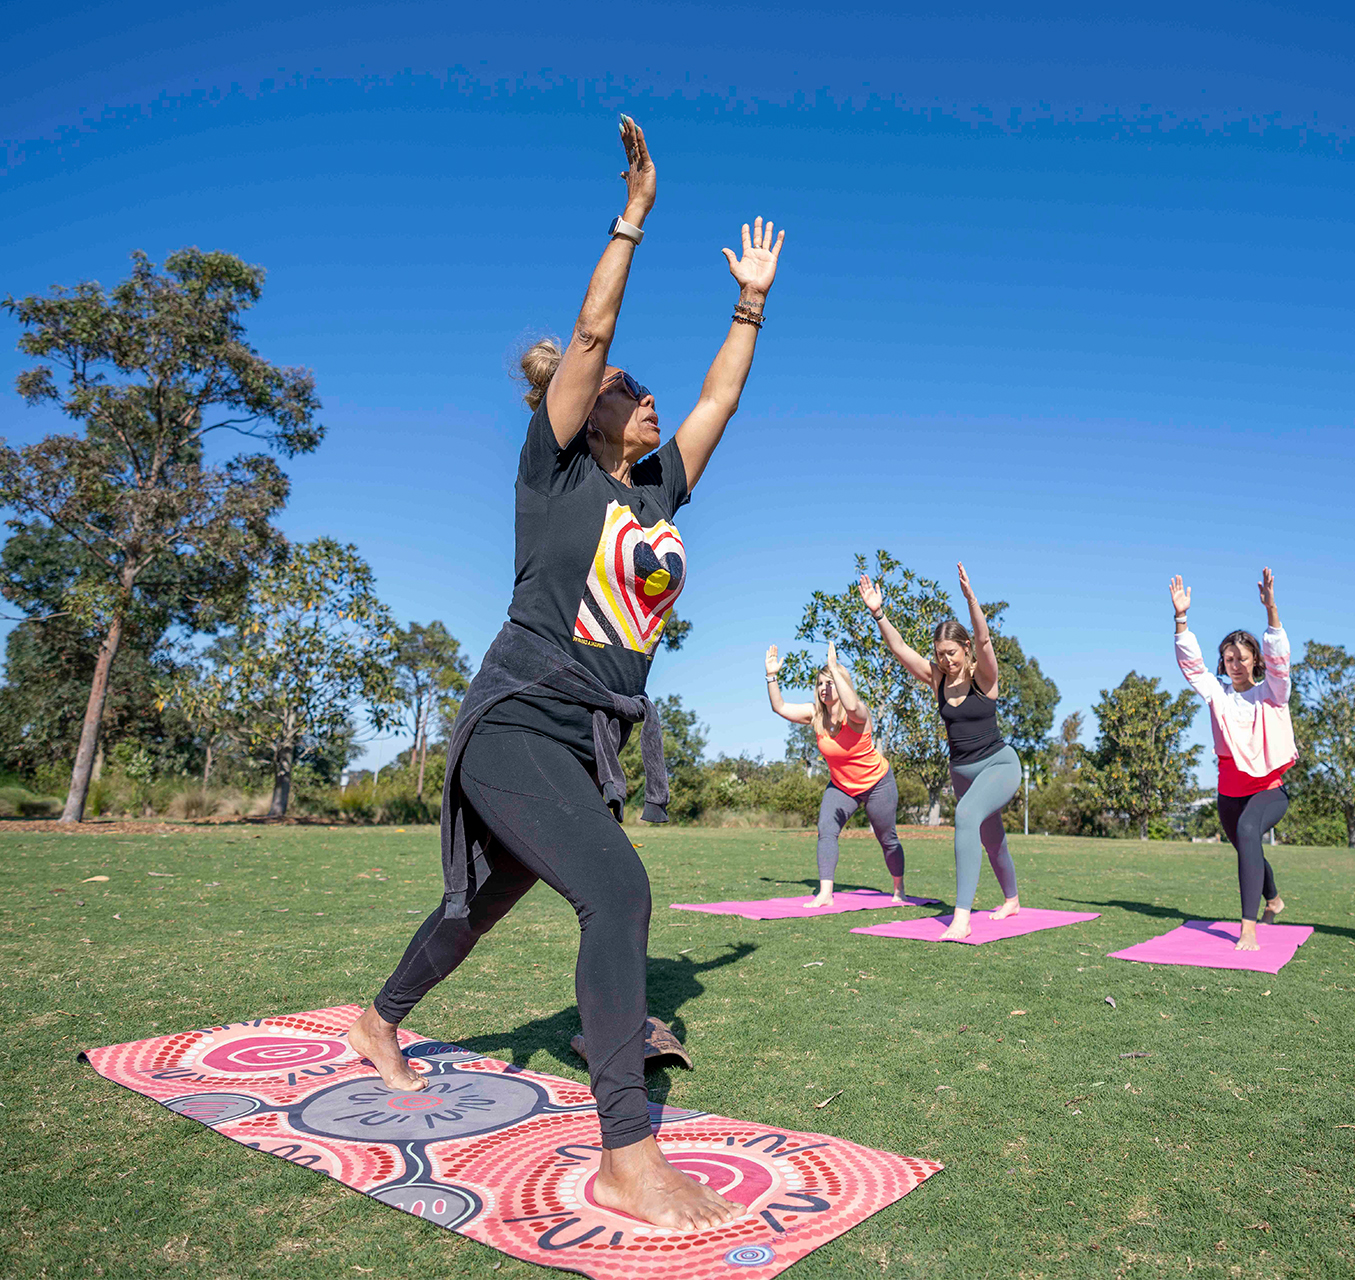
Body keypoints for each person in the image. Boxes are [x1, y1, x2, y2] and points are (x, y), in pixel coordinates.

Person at [347, 115, 785, 1228]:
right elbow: (592, 330)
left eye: (644, 388)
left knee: (481, 903)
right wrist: (633, 216)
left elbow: (719, 402)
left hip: (581, 741)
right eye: (624, 385)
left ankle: (378, 1019)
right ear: (582, 408)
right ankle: (626, 1152)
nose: (642, 394)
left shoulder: (655, 492)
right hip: (515, 723)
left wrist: (750, 303)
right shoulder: (552, 475)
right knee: (621, 887)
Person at [859, 563, 1020, 941]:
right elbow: (899, 649)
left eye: (952, 652)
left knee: (966, 816)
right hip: (961, 772)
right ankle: (1012, 899)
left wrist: (971, 600)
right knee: (992, 838)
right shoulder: (937, 679)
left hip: (999, 764)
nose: (946, 660)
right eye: (940, 654)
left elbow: (984, 642)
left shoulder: (985, 677)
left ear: (964, 649)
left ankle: (961, 919)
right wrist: (878, 612)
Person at [1170, 568, 1298, 950]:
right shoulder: (1218, 693)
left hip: (1267, 790)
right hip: (1229, 790)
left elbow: (1280, 660)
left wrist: (1271, 610)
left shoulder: (1272, 691)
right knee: (1247, 846)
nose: (1234, 664)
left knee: (1247, 833)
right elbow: (1191, 666)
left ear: (1254, 660)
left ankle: (1248, 928)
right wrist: (1181, 619)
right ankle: (1273, 899)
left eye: (1241, 658)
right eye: (1228, 659)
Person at [765, 640, 909, 907]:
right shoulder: (815, 714)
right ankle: (825, 894)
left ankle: (899, 888)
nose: (823, 688)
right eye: (820, 683)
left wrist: (834, 666)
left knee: (887, 838)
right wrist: (771, 675)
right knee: (826, 830)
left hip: (877, 783)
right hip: (842, 786)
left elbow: (852, 706)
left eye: (830, 682)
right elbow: (780, 707)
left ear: (842, 683)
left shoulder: (858, 715)